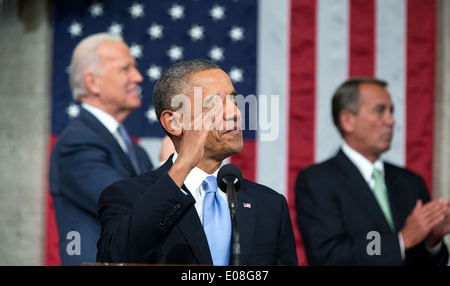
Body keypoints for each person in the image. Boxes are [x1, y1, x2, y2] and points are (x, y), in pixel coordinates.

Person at [96, 59, 298, 265]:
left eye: (234, 101)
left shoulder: (270, 205)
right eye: (215, 104)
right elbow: (114, 257)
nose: (235, 113)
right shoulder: (128, 197)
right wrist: (183, 164)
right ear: (174, 122)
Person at [295, 78, 450, 265]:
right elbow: (329, 255)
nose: (391, 121)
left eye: (391, 111)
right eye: (380, 111)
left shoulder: (410, 182)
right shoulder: (317, 181)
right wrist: (401, 240)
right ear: (347, 120)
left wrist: (432, 241)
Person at [49, 33, 154, 265]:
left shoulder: (138, 153)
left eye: (135, 68)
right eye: (125, 69)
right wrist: (176, 168)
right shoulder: (77, 143)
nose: (138, 77)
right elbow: (132, 209)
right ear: (92, 82)